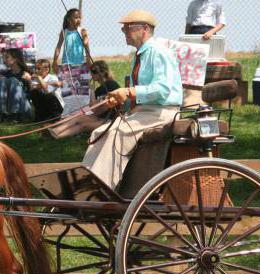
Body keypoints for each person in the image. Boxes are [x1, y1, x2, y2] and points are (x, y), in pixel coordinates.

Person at [82, 10, 183, 189]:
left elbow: (162, 89)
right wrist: (122, 100)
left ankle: (102, 190)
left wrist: (129, 92)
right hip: (144, 112)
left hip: (161, 113)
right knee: (98, 133)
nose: (124, 32)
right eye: (123, 29)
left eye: (128, 28)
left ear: (145, 29)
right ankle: (85, 186)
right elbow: (139, 92)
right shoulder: (141, 54)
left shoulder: (158, 52)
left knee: (115, 134)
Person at [0, 49, 32, 123]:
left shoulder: (26, 73)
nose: (4, 60)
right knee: (4, 80)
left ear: (15, 59)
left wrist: (29, 80)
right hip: (7, 107)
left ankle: (16, 115)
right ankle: (1, 114)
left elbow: (34, 94)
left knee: (13, 80)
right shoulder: (5, 74)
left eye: (7, 57)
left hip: (23, 108)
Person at [52, 8, 91, 75]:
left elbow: (87, 46)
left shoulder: (82, 31)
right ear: (69, 19)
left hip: (80, 63)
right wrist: (55, 60)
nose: (78, 19)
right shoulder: (64, 32)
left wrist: (88, 60)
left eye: (79, 17)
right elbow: (58, 47)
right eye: (76, 17)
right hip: (66, 63)